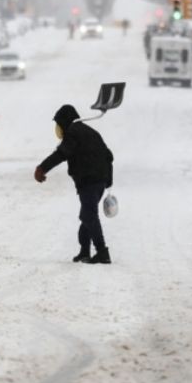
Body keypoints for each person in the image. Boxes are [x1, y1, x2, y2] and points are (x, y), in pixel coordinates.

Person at [34, 105, 115, 264]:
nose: (58, 129)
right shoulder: (90, 132)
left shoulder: (73, 133)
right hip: (99, 180)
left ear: (64, 122)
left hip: (89, 180)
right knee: (86, 215)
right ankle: (84, 251)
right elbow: (108, 156)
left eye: (59, 124)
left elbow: (61, 153)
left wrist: (42, 168)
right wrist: (108, 180)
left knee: (89, 215)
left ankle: (102, 252)